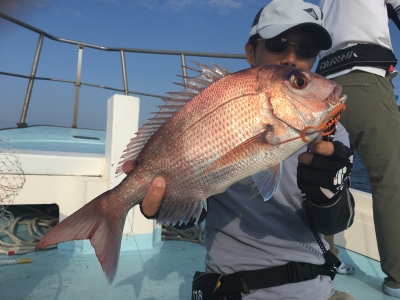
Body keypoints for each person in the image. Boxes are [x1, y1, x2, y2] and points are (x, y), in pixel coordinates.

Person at [140, 0, 355, 299]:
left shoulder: (332, 135)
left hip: (316, 288)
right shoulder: (225, 108)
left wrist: (328, 195)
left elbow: (339, 222)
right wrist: (164, 202)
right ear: (251, 52)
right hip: (233, 287)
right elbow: (193, 212)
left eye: (306, 51)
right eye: (278, 44)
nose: (292, 58)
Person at [316, 1, 400, 298]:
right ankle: (396, 278)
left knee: (324, 176)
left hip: (324, 84)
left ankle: (323, 261)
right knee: (389, 181)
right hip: (367, 79)